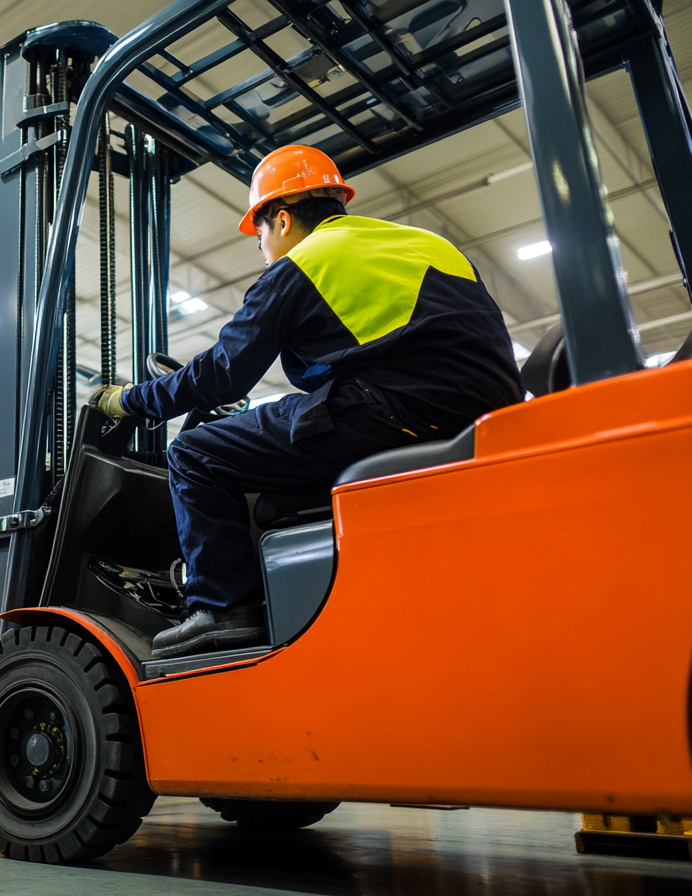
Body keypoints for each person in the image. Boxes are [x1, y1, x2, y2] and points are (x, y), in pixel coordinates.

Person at [89, 144, 523, 659]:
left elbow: (222, 376)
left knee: (195, 454)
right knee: (277, 466)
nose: (266, 251)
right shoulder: (421, 243)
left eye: (261, 239)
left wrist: (128, 401)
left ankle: (223, 608)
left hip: (394, 410)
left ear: (284, 218)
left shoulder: (303, 264)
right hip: (482, 423)